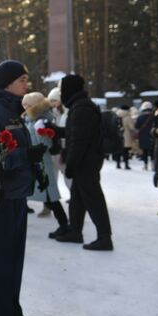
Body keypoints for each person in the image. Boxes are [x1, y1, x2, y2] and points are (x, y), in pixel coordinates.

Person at [0, 59, 45, 316]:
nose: (27, 85)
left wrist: (33, 164)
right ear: (7, 83)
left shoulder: (12, 112)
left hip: (16, 194)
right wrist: (26, 156)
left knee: (14, 261)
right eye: (22, 81)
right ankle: (1, 313)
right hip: (0, 198)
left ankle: (12, 311)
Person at [54, 74, 113, 251]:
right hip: (87, 160)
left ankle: (104, 238)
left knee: (93, 199)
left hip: (86, 163)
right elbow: (74, 133)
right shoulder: (80, 106)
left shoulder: (81, 108)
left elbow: (79, 141)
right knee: (78, 198)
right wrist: (56, 130)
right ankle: (75, 231)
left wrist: (71, 164)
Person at [22, 92, 69, 238]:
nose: (24, 107)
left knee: (51, 195)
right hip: (33, 162)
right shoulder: (30, 119)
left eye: (27, 104)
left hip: (42, 163)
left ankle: (64, 225)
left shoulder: (40, 121)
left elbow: (46, 145)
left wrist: (40, 136)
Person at [135, 101, 154, 170]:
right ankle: (153, 165)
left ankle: (145, 165)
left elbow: (136, 127)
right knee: (152, 151)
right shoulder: (153, 116)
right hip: (152, 136)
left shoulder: (140, 117)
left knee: (145, 151)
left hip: (143, 136)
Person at [116, 104, 135, 169]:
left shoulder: (116, 115)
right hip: (126, 136)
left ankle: (118, 164)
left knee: (118, 150)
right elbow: (131, 127)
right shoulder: (128, 117)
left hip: (118, 135)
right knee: (125, 151)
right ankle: (126, 165)